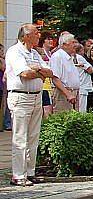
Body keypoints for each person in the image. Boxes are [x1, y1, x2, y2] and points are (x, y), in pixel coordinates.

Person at [5, 24, 54, 186]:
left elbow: (49, 72)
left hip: (36, 97)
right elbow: (24, 74)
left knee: (33, 136)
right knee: (20, 137)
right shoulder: (14, 52)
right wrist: (39, 72)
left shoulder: (34, 53)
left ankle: (30, 172)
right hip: (20, 97)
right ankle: (18, 175)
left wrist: (37, 69)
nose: (38, 36)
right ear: (25, 36)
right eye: (35, 33)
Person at [49, 32, 81, 112]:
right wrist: (68, 94)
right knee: (62, 118)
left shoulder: (69, 57)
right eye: (73, 42)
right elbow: (55, 78)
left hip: (72, 93)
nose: (75, 45)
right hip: (63, 94)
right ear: (64, 44)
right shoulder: (57, 56)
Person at [37, 33, 55, 118]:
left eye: (51, 39)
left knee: (49, 107)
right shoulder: (40, 52)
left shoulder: (51, 53)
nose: (51, 41)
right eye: (48, 39)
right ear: (43, 41)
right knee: (46, 108)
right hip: (44, 84)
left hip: (50, 83)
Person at [73, 44, 93, 113]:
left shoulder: (70, 58)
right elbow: (91, 70)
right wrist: (83, 66)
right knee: (81, 110)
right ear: (81, 50)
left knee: (75, 109)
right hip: (82, 86)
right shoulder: (79, 58)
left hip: (75, 87)